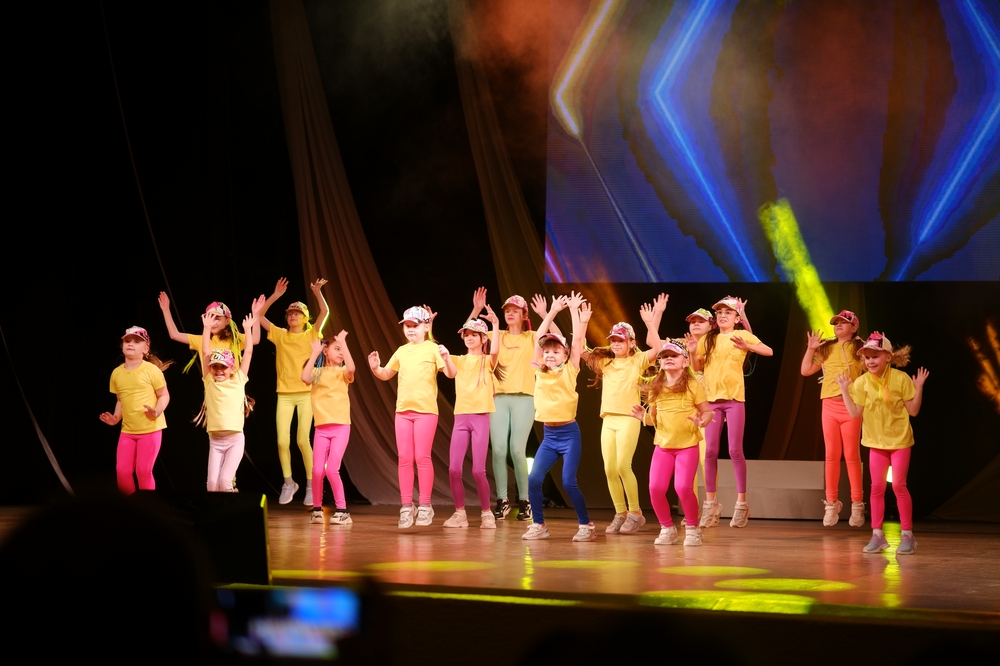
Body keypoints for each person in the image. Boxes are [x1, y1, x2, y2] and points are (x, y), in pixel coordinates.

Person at [467, 288, 562, 522]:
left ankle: (525, 500)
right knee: (499, 450)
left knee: (517, 450)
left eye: (515, 311)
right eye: (507, 310)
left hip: (525, 398)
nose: (510, 314)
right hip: (499, 398)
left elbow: (559, 340)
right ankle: (502, 500)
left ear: (524, 315)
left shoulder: (532, 338)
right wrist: (477, 309)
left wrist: (547, 314)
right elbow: (470, 334)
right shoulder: (496, 334)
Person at [837, 332, 928, 555]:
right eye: (867, 357)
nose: (870, 361)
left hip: (899, 441)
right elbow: (854, 413)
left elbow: (913, 411)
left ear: (888, 357)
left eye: (875, 356)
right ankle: (877, 535)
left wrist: (919, 388)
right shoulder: (862, 382)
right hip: (875, 443)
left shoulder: (901, 379)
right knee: (876, 488)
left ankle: (907, 535)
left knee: (898, 486)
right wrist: (844, 390)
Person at [583, 293, 667, 535]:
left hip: (629, 418)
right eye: (613, 340)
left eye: (621, 340)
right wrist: (581, 322)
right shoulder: (606, 363)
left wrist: (653, 320)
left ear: (631, 342)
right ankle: (620, 513)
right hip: (608, 419)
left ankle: (635, 513)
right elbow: (580, 350)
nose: (616, 344)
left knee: (622, 465)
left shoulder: (638, 360)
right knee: (609, 469)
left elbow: (659, 349)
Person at [369, 306, 456, 528]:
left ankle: (425, 505)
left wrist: (447, 359)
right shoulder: (401, 351)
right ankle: (407, 506)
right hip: (403, 412)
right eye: (407, 326)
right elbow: (386, 374)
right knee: (404, 458)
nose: (410, 329)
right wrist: (376, 368)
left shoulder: (432, 349)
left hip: (426, 411)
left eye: (414, 325)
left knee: (422, 457)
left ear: (426, 327)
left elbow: (450, 374)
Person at [692, 296, 772, 529]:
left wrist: (747, 346)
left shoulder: (742, 335)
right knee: (710, 452)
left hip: (734, 399)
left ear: (737, 318)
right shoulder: (708, 338)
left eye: (728, 312)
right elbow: (697, 367)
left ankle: (741, 503)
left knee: (735, 450)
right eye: (719, 313)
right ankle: (710, 504)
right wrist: (693, 353)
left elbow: (768, 351)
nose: (723, 316)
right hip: (711, 400)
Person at [522, 292, 594, 542]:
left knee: (568, 482)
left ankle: (586, 525)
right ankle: (538, 524)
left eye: (556, 351)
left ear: (564, 355)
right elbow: (536, 340)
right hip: (549, 436)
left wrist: (573, 311)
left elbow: (577, 341)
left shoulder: (570, 370)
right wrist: (551, 311)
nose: (550, 355)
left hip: (569, 435)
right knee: (534, 479)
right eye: (547, 351)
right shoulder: (539, 371)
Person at [632, 339, 713, 546]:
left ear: (685, 361)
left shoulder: (693, 385)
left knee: (683, 487)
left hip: (687, 446)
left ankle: (693, 529)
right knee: (655, 488)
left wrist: (702, 421)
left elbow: (707, 412)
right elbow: (653, 420)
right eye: (664, 356)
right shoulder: (656, 387)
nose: (668, 359)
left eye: (673, 356)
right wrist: (643, 417)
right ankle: (667, 529)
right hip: (663, 447)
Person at [259, 277, 330, 505]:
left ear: (305, 318)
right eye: (290, 313)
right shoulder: (281, 335)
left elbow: (324, 312)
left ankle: (311, 484)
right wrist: (275, 296)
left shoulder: (311, 335)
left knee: (302, 440)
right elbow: (259, 316)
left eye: (297, 313)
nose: (292, 316)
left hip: (306, 394)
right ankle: (289, 483)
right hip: (284, 395)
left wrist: (317, 292)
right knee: (282, 441)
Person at [800, 310, 866, 527]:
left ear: (854, 327)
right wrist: (811, 348)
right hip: (829, 405)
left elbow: (875, 367)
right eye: (836, 323)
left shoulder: (860, 348)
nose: (838, 325)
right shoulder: (826, 348)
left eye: (843, 322)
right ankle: (831, 503)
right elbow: (806, 370)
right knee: (831, 455)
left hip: (851, 404)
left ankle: (857, 504)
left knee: (851, 455)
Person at [442, 308, 504, 529]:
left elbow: (495, 351)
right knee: (453, 469)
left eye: (473, 335)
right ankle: (460, 513)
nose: (469, 338)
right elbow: (449, 372)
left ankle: (487, 513)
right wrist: (444, 356)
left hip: (480, 418)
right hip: (461, 418)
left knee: (478, 470)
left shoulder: (487, 361)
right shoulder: (458, 360)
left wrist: (495, 325)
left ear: (483, 339)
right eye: (466, 334)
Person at [100, 327, 172, 494]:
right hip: (128, 431)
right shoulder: (116, 373)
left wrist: (157, 411)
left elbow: (164, 395)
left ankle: (147, 506)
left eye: (137, 341)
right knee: (122, 471)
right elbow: (120, 400)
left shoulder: (151, 370)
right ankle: (130, 506)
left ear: (146, 349)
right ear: (122, 345)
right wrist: (116, 417)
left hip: (150, 430)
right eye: (127, 341)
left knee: (143, 471)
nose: (131, 344)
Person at [198, 301, 261, 492]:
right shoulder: (209, 380)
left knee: (225, 481)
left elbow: (248, 351)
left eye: (223, 367)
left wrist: (248, 329)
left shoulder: (239, 379)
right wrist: (206, 328)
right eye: (215, 366)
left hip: (235, 440)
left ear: (232, 368)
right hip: (215, 441)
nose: (218, 370)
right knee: (211, 485)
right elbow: (205, 352)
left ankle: (230, 504)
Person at [301, 330, 355, 525]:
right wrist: (315, 353)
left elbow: (351, 368)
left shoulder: (342, 372)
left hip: (340, 427)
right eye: (336, 349)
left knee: (332, 469)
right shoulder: (317, 374)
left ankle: (343, 510)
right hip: (322, 429)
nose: (340, 353)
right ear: (326, 351)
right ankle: (317, 509)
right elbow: (304, 377)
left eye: (342, 350)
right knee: (317, 471)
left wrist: (343, 343)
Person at [158, 292, 261, 372]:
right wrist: (166, 310)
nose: (213, 322)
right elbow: (174, 335)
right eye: (210, 318)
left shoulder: (235, 338)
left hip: (233, 389)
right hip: (212, 390)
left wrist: (256, 314)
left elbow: (255, 339)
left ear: (227, 321)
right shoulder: (202, 340)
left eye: (217, 319)